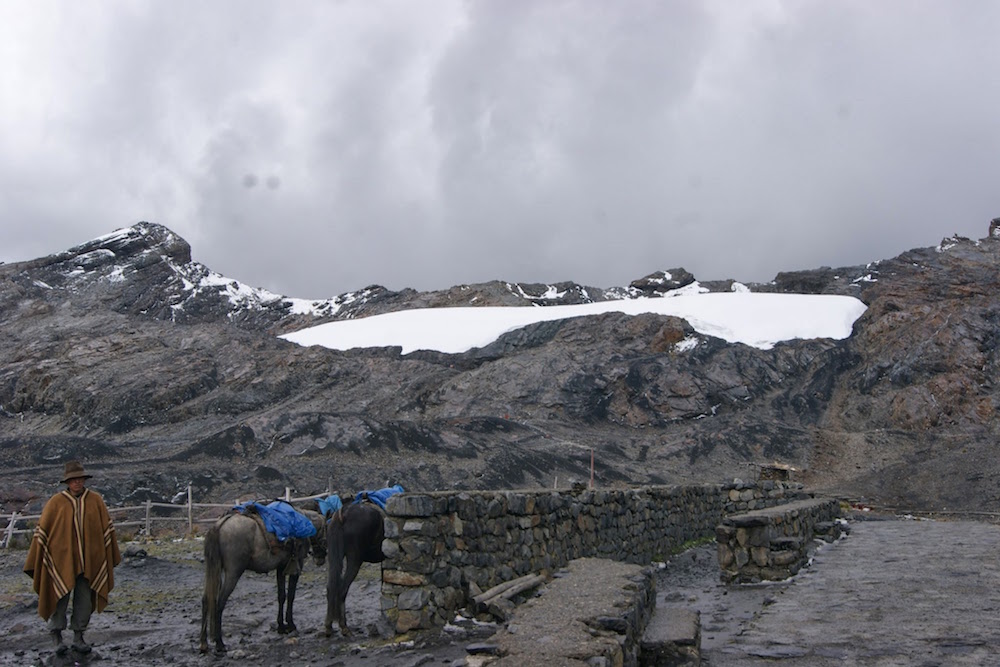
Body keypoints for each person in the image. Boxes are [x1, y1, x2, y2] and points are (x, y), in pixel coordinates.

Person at [23, 461, 122, 655]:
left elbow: (105, 531)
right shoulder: (55, 503)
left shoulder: (96, 501)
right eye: (73, 480)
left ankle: (79, 636)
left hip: (90, 562)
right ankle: (57, 636)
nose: (77, 483)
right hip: (61, 563)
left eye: (80, 479)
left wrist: (103, 555)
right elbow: (43, 533)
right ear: (67, 482)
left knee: (84, 600)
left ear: (84, 480)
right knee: (58, 598)